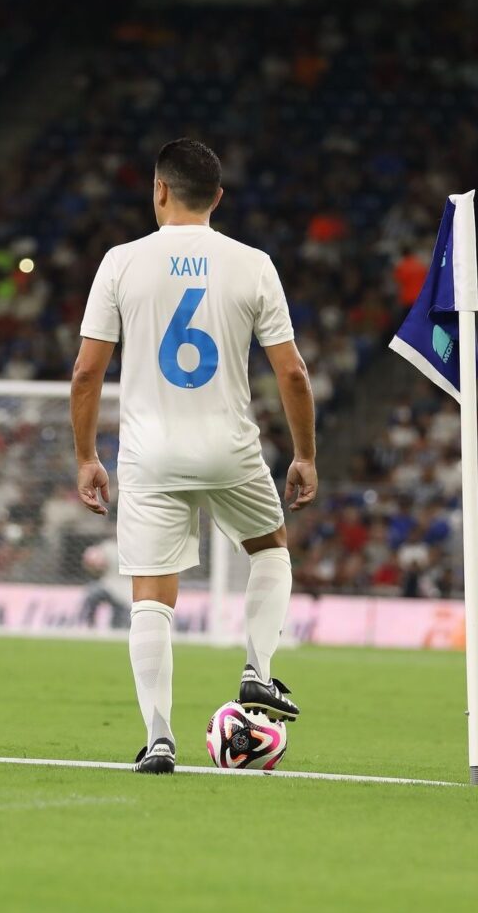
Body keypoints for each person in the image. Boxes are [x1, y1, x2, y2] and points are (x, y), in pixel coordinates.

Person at [70, 138, 317, 774]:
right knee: (270, 548)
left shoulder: (121, 263)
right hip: (229, 446)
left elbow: (85, 375)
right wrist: (305, 456)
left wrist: (86, 457)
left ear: (159, 190)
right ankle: (258, 670)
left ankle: (158, 739)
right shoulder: (253, 264)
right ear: (218, 198)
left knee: (152, 596)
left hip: (149, 455)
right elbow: (292, 374)